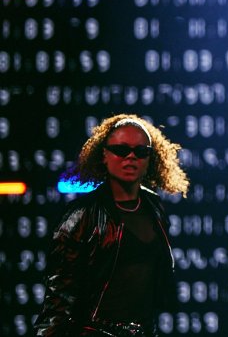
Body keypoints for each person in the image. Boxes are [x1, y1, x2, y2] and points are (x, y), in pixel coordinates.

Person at [34, 114, 189, 337]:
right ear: (104, 155)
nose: (131, 157)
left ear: (150, 159)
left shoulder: (153, 207)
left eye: (141, 151)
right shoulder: (81, 215)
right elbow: (59, 301)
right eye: (121, 150)